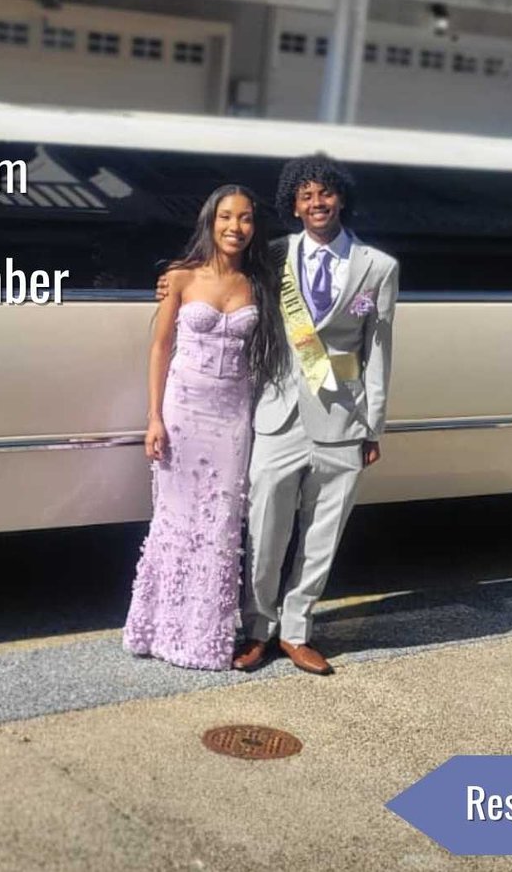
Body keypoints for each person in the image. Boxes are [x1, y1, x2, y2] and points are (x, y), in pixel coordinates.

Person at [159, 154, 399, 676]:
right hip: (276, 416)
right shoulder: (270, 257)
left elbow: (378, 351)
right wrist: (171, 284)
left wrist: (372, 426)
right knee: (264, 529)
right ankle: (257, 628)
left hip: (342, 417)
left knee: (322, 534)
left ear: (340, 199)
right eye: (306, 195)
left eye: (325, 194)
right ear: (294, 204)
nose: (317, 203)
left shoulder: (378, 268)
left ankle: (297, 631)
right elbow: (217, 277)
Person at [122, 185, 288, 671]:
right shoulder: (180, 276)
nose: (235, 227)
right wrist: (153, 417)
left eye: (246, 219)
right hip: (183, 410)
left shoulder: (260, 283)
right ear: (210, 222)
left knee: (219, 526)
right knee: (174, 521)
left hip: (232, 416)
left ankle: (202, 639)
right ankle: (155, 630)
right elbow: (160, 348)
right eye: (226, 217)